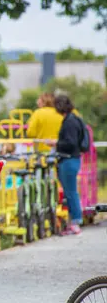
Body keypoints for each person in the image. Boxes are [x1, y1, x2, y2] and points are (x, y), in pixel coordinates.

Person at [55, 95, 86, 236]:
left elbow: (70, 143)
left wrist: (55, 144)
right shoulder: (74, 119)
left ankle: (76, 221)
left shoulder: (69, 122)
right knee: (69, 191)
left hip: (68, 159)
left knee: (71, 191)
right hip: (73, 158)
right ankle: (73, 221)